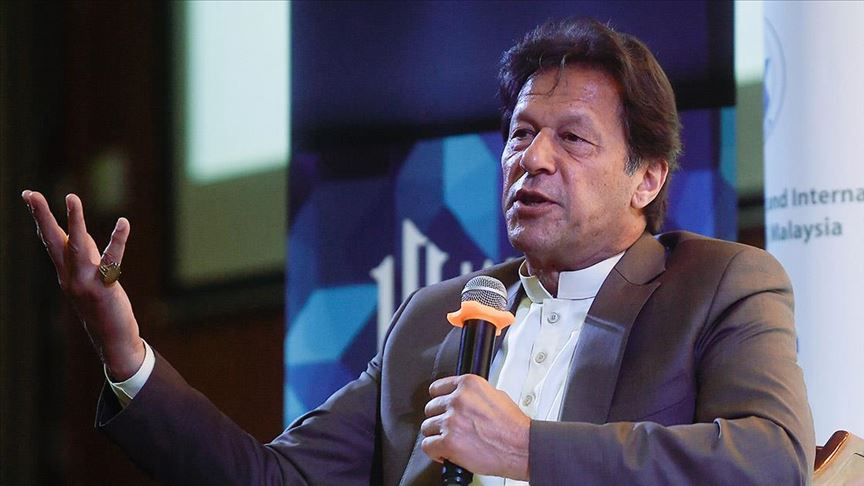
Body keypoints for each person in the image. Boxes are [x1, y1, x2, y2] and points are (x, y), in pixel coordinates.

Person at [22, 18, 814, 485]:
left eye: (573, 139)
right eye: (521, 134)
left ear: (647, 177)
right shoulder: (437, 316)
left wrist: (527, 449)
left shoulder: (719, 284)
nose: (532, 160)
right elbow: (274, 478)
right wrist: (121, 346)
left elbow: (771, 460)